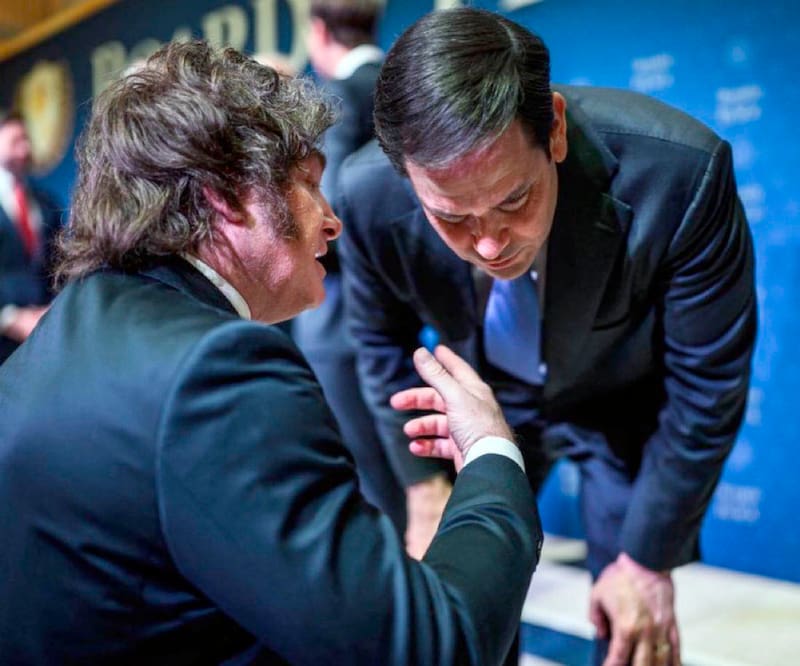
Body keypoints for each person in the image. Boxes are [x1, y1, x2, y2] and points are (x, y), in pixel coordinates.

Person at [0, 40, 543, 664]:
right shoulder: (218, 373)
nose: (331, 219)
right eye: (308, 183)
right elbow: (426, 648)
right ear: (223, 197)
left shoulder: (61, 336)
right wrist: (490, 453)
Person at [337, 8, 756, 666]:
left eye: (514, 199)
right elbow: (377, 345)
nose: (488, 242)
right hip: (483, 403)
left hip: (618, 405)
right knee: (461, 611)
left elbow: (709, 382)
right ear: (407, 179)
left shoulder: (679, 175)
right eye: (451, 217)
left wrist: (647, 563)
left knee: (634, 631)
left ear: (554, 128)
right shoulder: (363, 196)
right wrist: (423, 489)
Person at [292, 0, 406, 529]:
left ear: (317, 32)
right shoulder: (404, 84)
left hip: (341, 321)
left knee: (377, 485)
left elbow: (325, 219)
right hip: (413, 309)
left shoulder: (339, 95)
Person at [0, 110, 61, 363]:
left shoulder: (44, 201)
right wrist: (8, 318)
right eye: (16, 141)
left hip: (42, 335)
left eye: (27, 140)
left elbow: (58, 263)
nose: (24, 149)